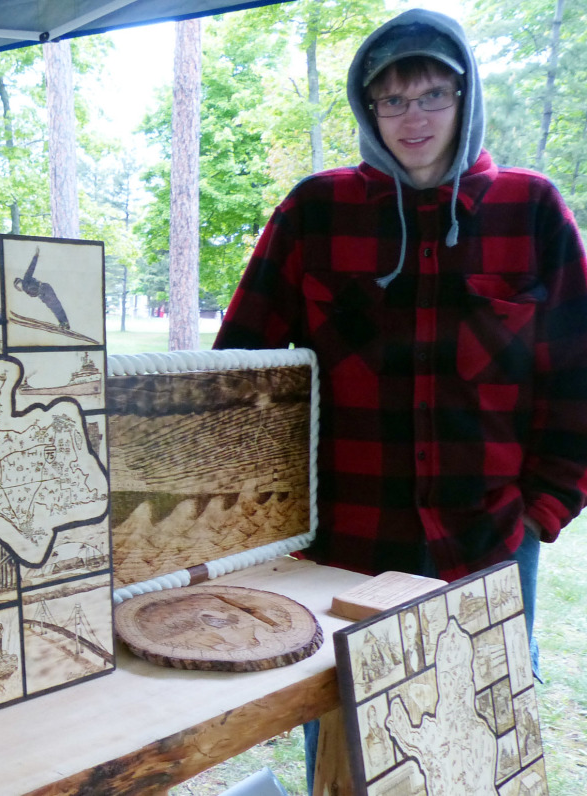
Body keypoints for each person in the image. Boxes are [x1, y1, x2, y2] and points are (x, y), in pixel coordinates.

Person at [213, 8, 587, 792]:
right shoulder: (316, 211)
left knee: (474, 749)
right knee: (345, 740)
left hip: (486, 537)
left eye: (430, 95)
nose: (411, 118)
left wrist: (540, 512)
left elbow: (577, 379)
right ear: (366, 106)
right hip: (347, 538)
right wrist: (260, 512)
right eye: (391, 98)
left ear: (465, 95)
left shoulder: (532, 210)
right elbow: (238, 369)